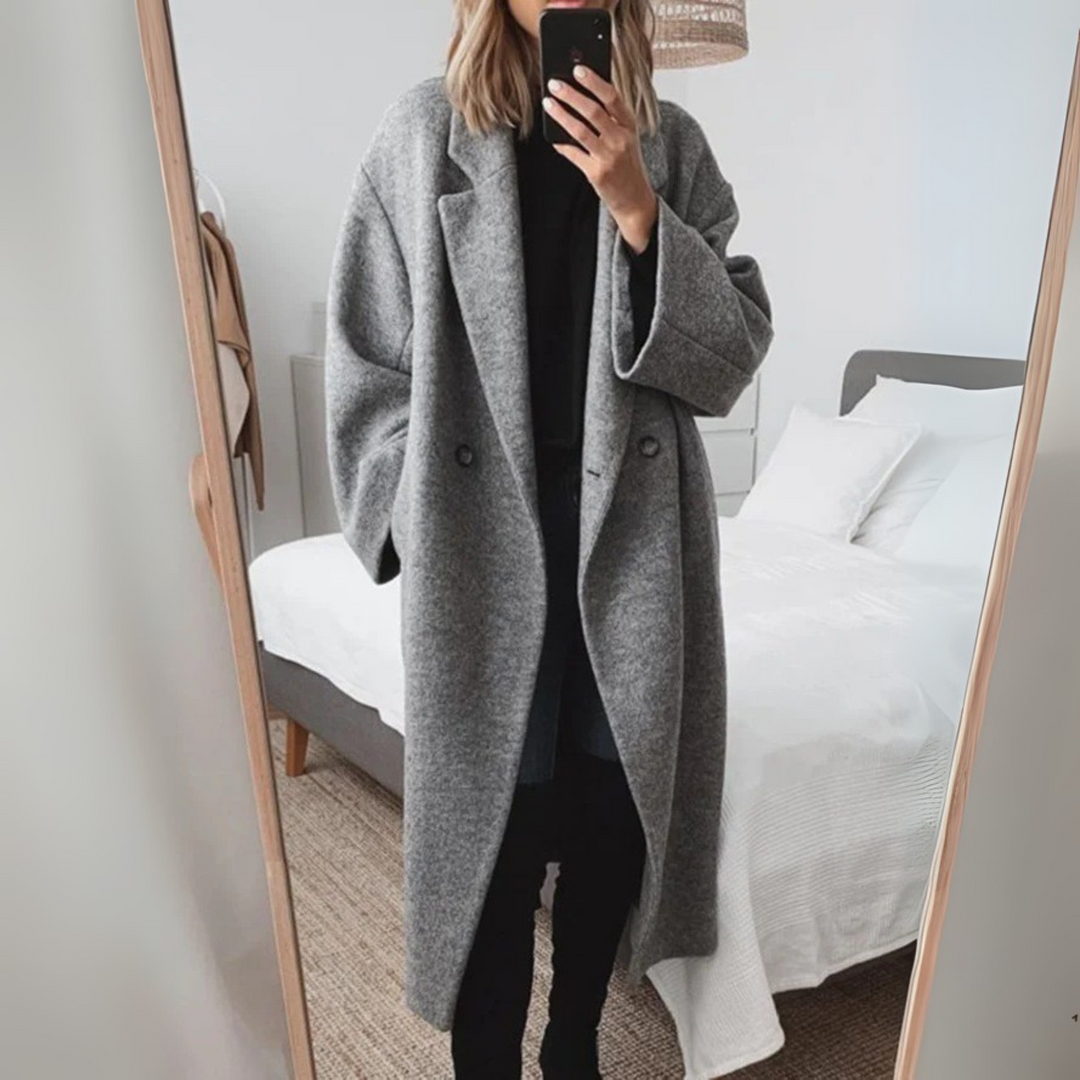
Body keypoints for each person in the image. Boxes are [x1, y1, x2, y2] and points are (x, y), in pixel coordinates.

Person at [324, 0, 774, 1076]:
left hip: (630, 544)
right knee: (495, 833)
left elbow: (729, 358)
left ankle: (575, 1043)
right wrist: (412, 513)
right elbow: (365, 359)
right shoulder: (422, 134)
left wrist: (637, 205)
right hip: (484, 548)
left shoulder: (672, 147)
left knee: (612, 814)